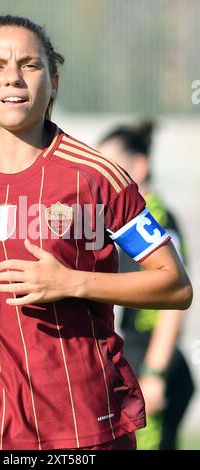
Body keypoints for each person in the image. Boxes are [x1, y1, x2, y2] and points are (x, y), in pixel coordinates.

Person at [0, 16, 192, 451]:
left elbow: (174, 286)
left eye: (29, 64)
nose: (13, 78)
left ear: (54, 81)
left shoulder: (100, 179)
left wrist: (71, 282)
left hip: (83, 421)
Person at [98, 121, 195, 450]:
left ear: (139, 165)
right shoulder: (126, 219)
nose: (102, 176)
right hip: (137, 354)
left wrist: (154, 373)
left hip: (154, 360)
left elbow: (173, 301)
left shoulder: (155, 218)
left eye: (110, 166)